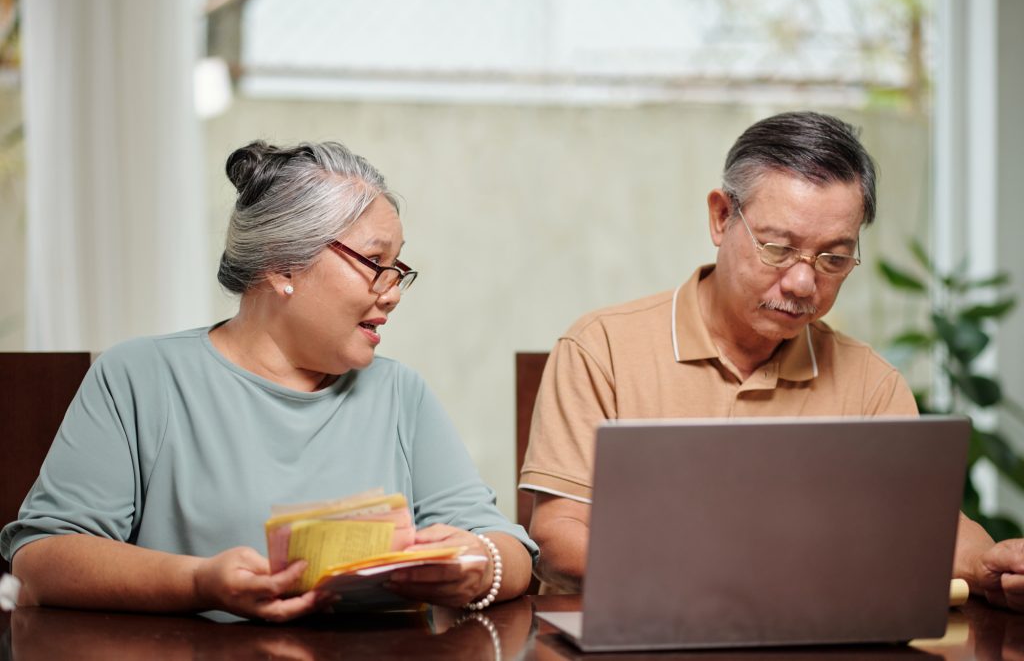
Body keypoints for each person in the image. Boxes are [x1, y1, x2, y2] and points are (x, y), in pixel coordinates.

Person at [1, 140, 536, 621]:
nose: (393, 290)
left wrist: (479, 564)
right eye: (375, 262)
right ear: (283, 265)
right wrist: (199, 584)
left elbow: (510, 552)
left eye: (398, 268)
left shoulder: (402, 394)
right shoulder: (139, 378)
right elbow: (44, 559)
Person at [518, 111, 1024, 610]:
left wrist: (989, 564)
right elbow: (558, 538)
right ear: (721, 217)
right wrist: (733, 575)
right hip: (625, 628)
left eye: (833, 259)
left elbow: (924, 527)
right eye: (778, 248)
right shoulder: (601, 347)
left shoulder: (871, 383)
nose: (803, 283)